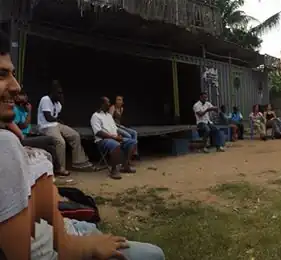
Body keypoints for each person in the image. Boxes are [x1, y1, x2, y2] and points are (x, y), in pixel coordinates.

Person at [0, 32, 163, 260]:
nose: (16, 86)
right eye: (2, 74)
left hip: (58, 227)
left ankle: (81, 162)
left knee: (74, 136)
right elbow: (46, 118)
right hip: (47, 127)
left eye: (13, 75)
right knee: (56, 140)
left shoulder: (16, 132)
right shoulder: (13, 135)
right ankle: (64, 168)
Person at [38, 80, 97, 172]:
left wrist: (61, 101)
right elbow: (48, 117)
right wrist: (58, 121)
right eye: (58, 93)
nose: (60, 95)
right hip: (46, 126)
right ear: (52, 92)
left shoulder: (58, 104)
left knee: (75, 135)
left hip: (56, 125)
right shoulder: (45, 99)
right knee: (60, 142)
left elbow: (57, 118)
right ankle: (60, 168)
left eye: (61, 93)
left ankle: (79, 162)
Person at [9, 91, 66, 176]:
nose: (24, 98)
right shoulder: (15, 109)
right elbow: (23, 126)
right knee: (50, 139)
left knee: (50, 148)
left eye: (25, 96)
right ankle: (57, 169)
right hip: (20, 139)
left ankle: (56, 170)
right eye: (21, 96)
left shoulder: (22, 109)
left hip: (27, 135)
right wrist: (29, 111)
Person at [91, 97, 138, 179]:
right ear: (102, 104)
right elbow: (98, 132)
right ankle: (114, 170)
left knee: (132, 142)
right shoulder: (95, 116)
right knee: (116, 145)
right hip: (103, 140)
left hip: (114, 138)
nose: (109, 104)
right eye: (107, 103)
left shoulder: (109, 115)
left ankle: (125, 166)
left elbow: (115, 129)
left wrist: (118, 135)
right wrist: (114, 138)